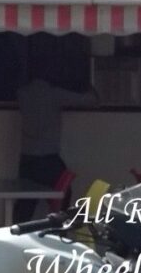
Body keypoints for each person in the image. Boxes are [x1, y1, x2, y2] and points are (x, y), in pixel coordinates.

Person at [13, 68, 98, 223]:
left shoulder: (22, 94)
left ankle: (15, 233)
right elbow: (90, 100)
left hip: (27, 158)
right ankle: (61, 228)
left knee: (25, 203)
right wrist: (88, 85)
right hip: (48, 159)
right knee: (64, 194)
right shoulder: (54, 95)